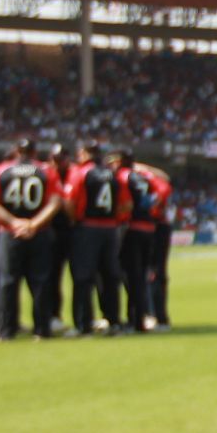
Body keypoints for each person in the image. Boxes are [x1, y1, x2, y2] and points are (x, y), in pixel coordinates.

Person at [0, 138, 63, 340]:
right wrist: (33, 224)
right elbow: (55, 202)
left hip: (8, 233)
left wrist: (13, 222)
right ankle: (42, 329)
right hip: (39, 232)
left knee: (8, 281)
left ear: (16, 151)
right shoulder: (46, 171)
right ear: (35, 152)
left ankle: (6, 330)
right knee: (40, 281)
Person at [65, 141, 130, 334]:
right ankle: (114, 321)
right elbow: (126, 205)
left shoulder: (80, 172)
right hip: (110, 230)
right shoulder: (113, 175)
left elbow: (69, 201)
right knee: (110, 276)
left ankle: (83, 324)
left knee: (83, 277)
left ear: (85, 153)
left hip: (87, 228)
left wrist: (75, 220)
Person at [116, 150, 157, 333]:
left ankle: (134, 321)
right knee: (140, 277)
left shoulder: (122, 177)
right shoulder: (143, 177)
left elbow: (126, 204)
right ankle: (141, 317)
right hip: (148, 228)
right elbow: (156, 196)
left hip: (132, 228)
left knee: (130, 277)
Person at [139, 160, 175, 330]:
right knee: (153, 274)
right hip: (156, 226)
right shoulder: (147, 178)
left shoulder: (143, 177)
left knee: (152, 274)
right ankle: (156, 316)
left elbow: (164, 185)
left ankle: (154, 315)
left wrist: (143, 168)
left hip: (152, 227)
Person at [42, 143, 73, 336]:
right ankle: (52, 316)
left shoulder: (74, 174)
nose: (57, 162)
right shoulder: (45, 175)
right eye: (54, 158)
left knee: (82, 276)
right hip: (50, 231)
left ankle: (83, 318)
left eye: (60, 159)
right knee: (52, 277)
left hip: (71, 231)